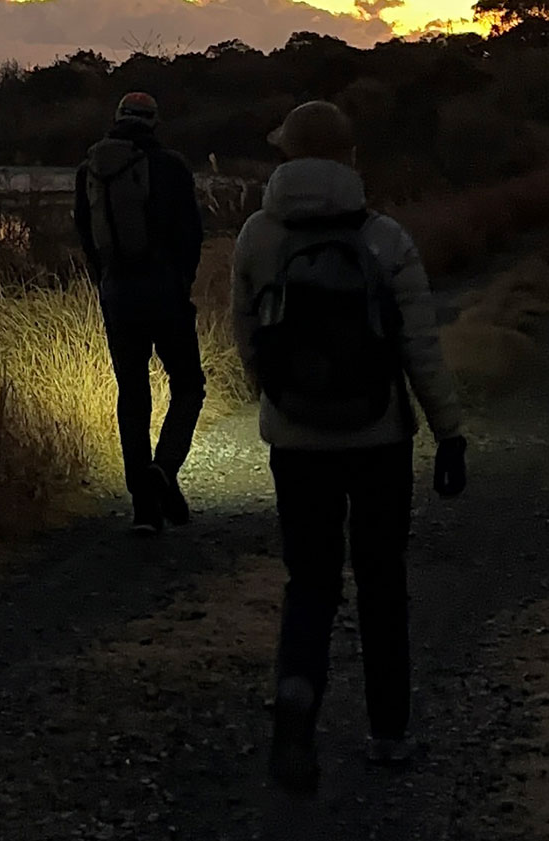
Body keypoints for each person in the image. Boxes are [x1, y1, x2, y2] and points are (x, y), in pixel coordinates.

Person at [232, 99, 467, 796]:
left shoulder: (256, 236)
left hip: (296, 439)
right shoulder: (385, 237)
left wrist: (274, 396)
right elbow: (420, 346)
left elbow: (246, 334)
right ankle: (388, 731)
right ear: (349, 158)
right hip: (379, 438)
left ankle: (298, 705)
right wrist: (449, 431)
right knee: (382, 580)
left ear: (287, 157)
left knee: (309, 579)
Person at [75, 90, 206, 533]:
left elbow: (86, 237)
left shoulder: (89, 169)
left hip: (118, 294)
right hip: (165, 291)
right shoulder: (170, 166)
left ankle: (144, 510)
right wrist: (181, 280)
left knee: (132, 394)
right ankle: (164, 469)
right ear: (154, 121)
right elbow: (191, 233)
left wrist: (107, 280)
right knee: (188, 385)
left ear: (117, 118)